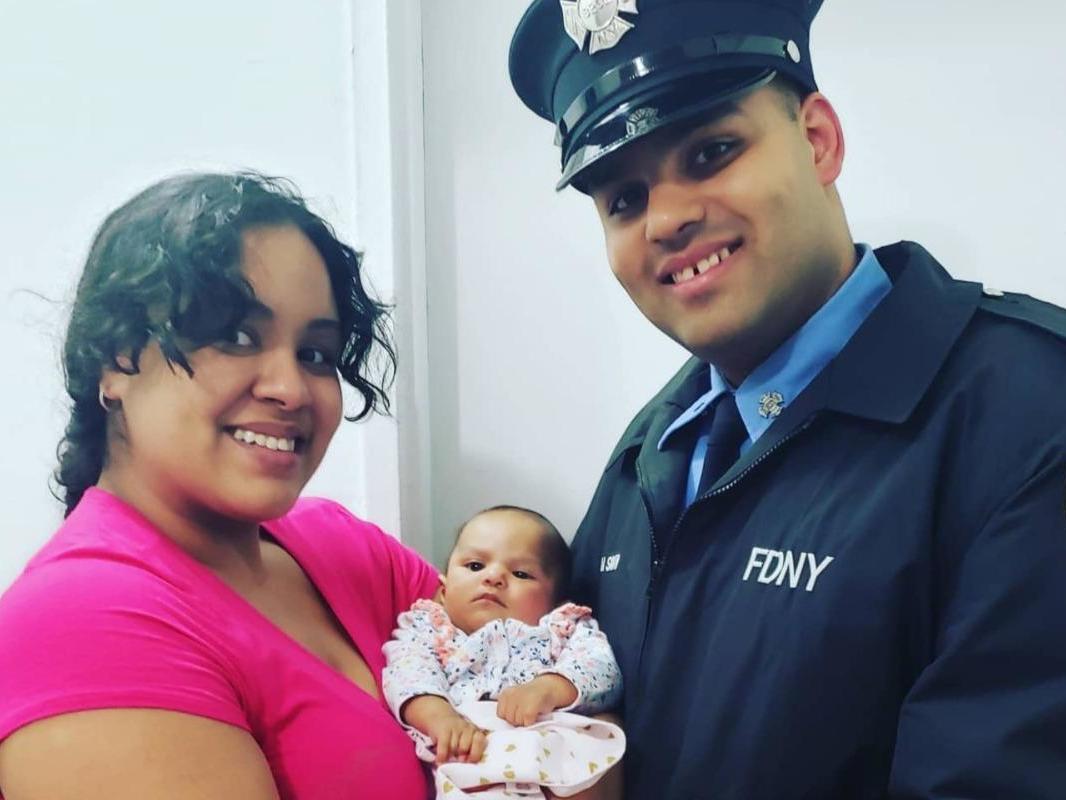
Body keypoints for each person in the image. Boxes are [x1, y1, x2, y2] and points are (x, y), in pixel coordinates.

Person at [507, 1, 1066, 798]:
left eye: (711, 151)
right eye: (623, 200)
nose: (666, 218)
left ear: (817, 140)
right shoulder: (648, 456)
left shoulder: (1029, 414)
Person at [0, 172, 441, 800]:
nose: (290, 388)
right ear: (116, 362)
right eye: (236, 336)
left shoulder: (347, 549)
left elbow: (550, 674)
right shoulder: (78, 622)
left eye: (316, 353)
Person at [383, 505, 624, 799]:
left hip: (548, 758)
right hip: (468, 759)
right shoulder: (429, 627)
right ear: (444, 590)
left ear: (555, 602)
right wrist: (440, 717)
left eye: (521, 573)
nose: (494, 576)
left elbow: (602, 669)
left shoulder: (564, 627)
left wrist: (549, 687)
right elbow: (407, 673)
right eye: (474, 566)